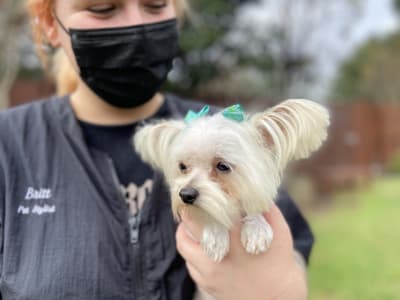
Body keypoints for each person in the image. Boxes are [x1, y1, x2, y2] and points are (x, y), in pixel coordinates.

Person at [0, 0, 313, 299]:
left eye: (155, 4)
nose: (136, 25)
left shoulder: (232, 133)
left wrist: (273, 290)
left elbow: (291, 257)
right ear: (49, 24)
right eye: (102, 8)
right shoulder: (10, 144)